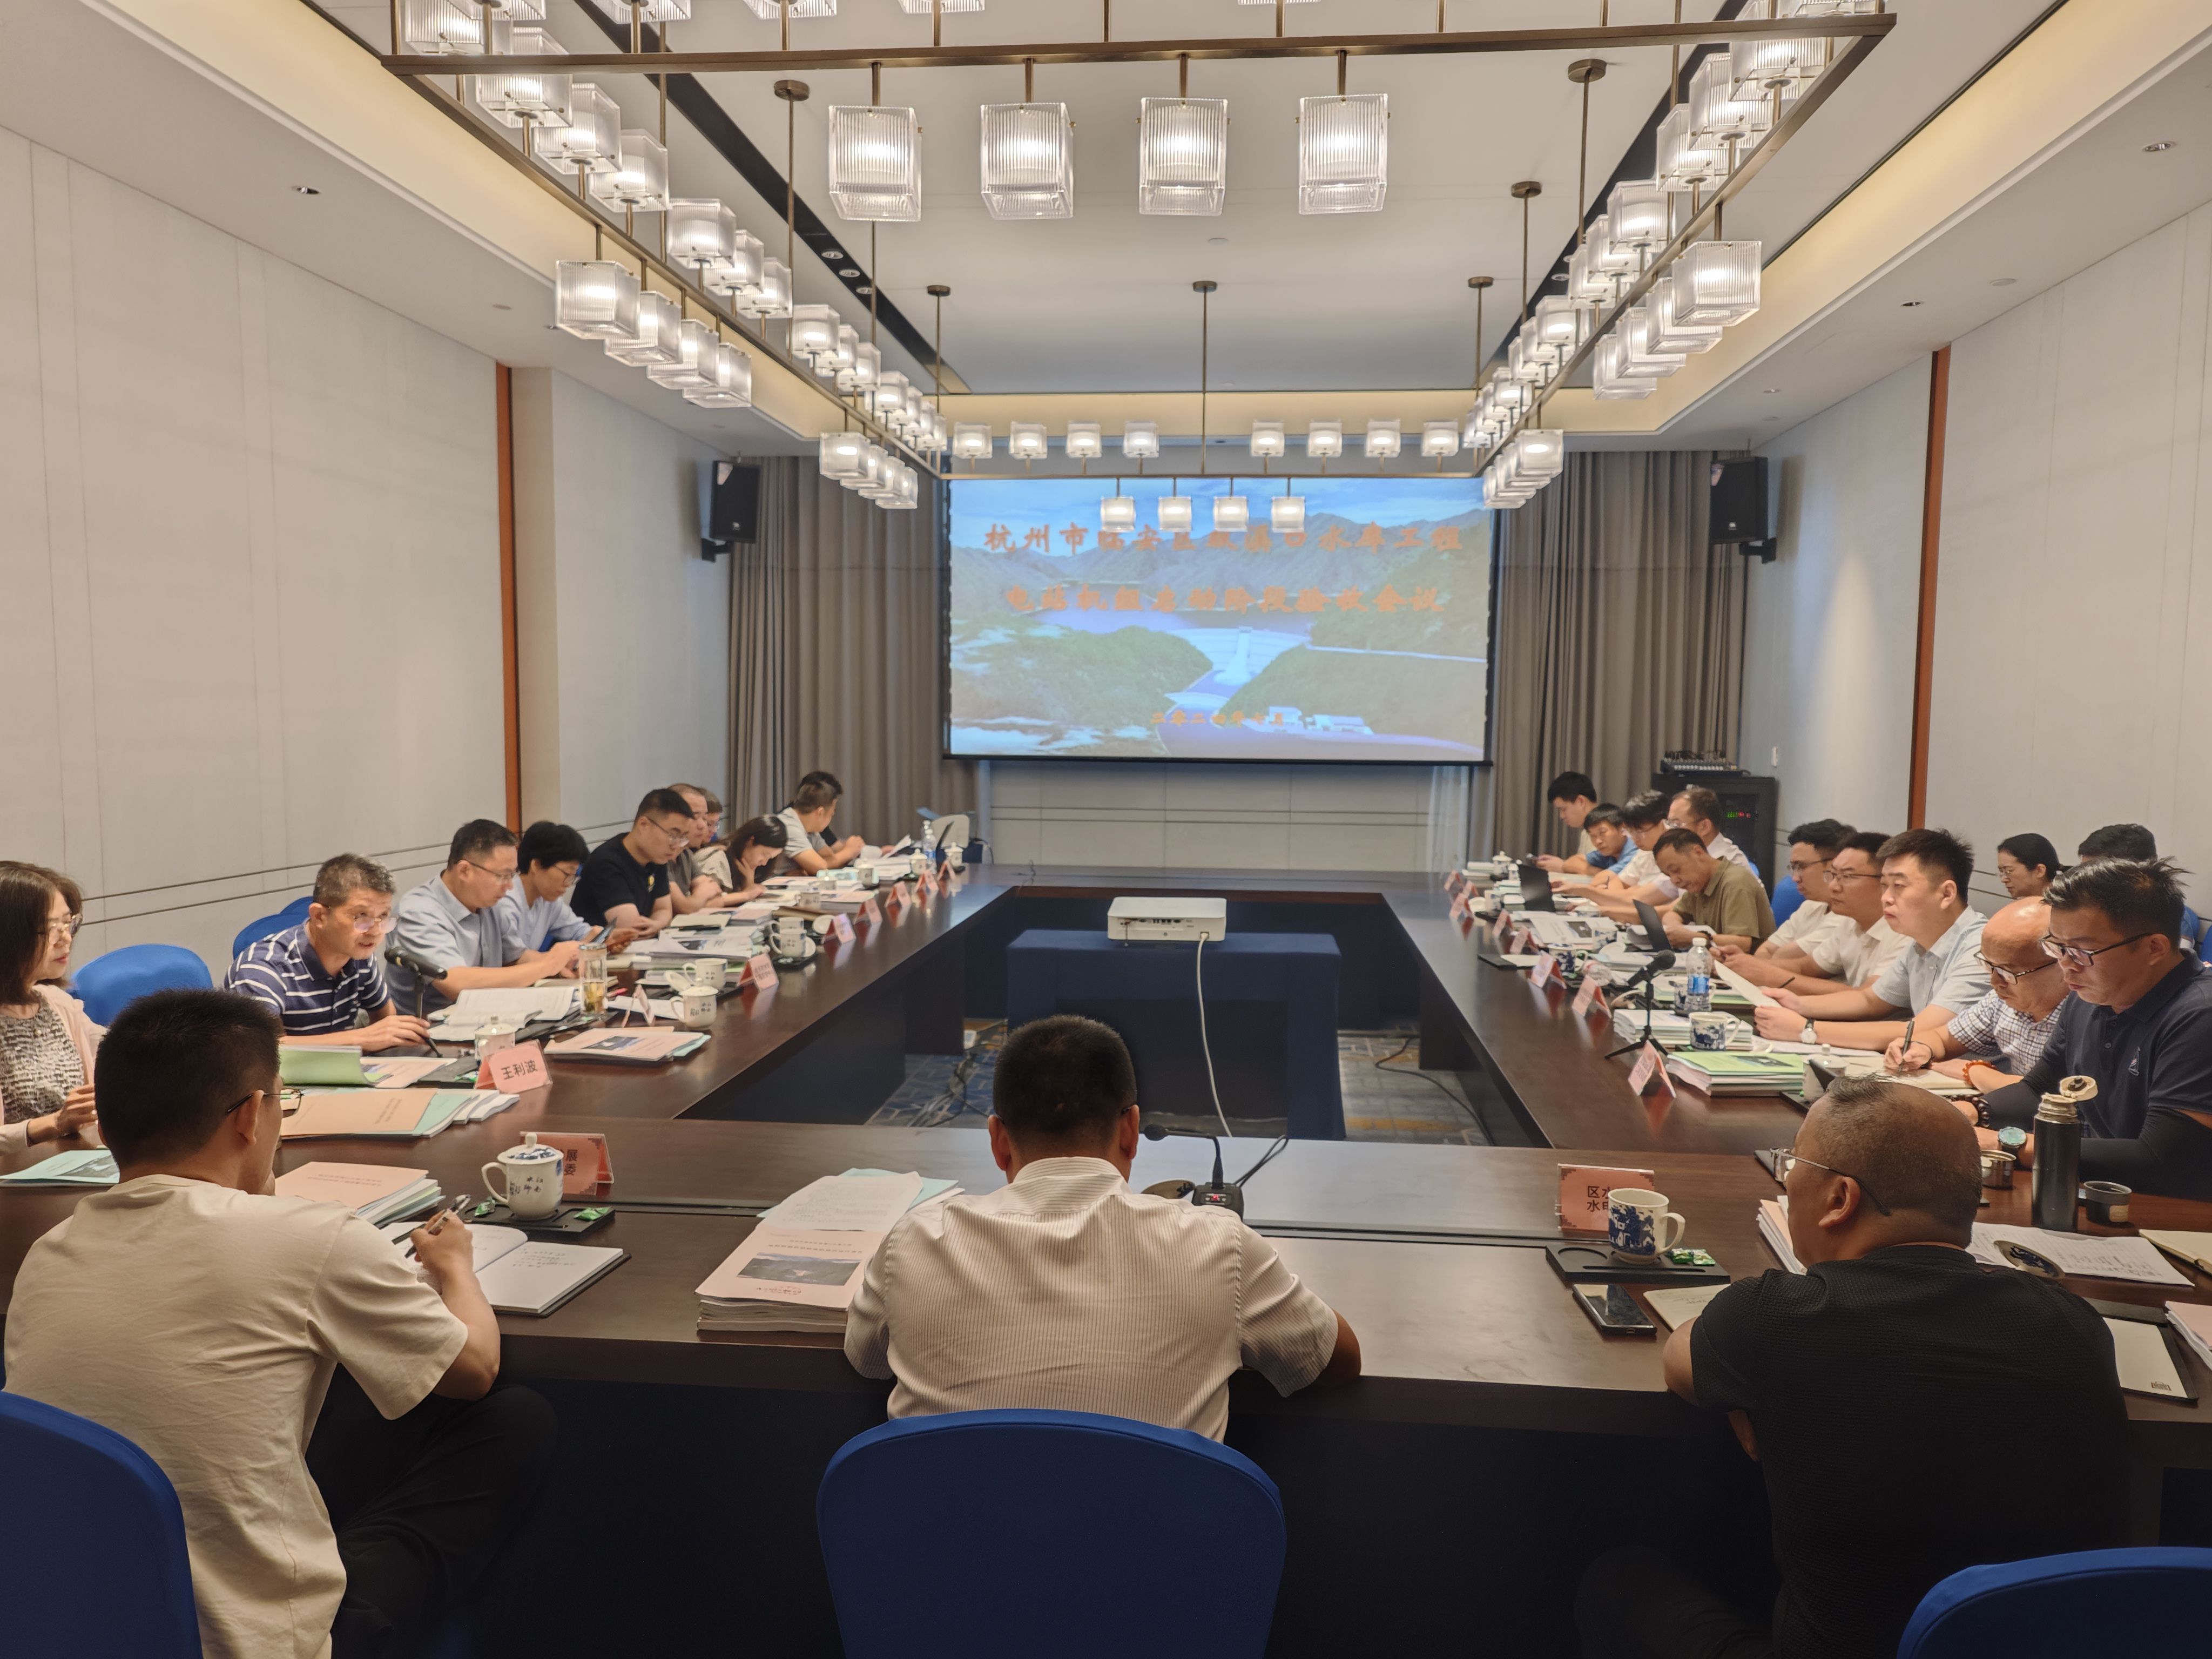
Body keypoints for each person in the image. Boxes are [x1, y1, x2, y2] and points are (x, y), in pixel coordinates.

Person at [3, 989, 554, 1659]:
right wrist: (456, 1268)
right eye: (280, 1105)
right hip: (253, 1644)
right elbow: (472, 1370)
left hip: (72, 1622)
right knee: (513, 1418)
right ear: (249, 1117)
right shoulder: (312, 1238)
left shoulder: (48, 1255)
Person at [1576, 1077, 2127, 1659]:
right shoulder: (2074, 1324)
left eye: (1794, 1165)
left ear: (1840, 1199)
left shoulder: (1776, 1317)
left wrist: (1744, 1379)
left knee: (1618, 1580)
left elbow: (1679, 1360)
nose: (1788, 1181)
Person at [845, 1014, 1360, 1439]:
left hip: (948, 1536)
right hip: (1157, 1538)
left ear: (998, 1142)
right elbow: (1335, 1361)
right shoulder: (1219, 1245)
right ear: (1131, 1131)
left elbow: (865, 1360)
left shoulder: (912, 1241)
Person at [1982, 858, 2212, 1198]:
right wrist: (1969, 1112)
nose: (2066, 966)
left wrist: (2005, 1144)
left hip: (2187, 1210)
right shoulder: (2088, 999)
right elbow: (2039, 1090)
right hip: (2118, 1195)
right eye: (2058, 947)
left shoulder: (2200, 1015)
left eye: (2081, 951)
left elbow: (2163, 1159)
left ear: (2154, 947)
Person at [1754, 828, 1987, 1053]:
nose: (1886, 898)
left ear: (1946, 894)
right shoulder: (1919, 943)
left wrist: (1807, 1030)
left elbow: (1921, 1031)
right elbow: (1870, 1000)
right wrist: (1798, 1004)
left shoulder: (1981, 950)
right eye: (1884, 885)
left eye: (1898, 886)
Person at [225, 854, 427, 1051]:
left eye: (383, 916)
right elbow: (261, 1049)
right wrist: (361, 1038)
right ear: (320, 916)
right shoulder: (263, 968)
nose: (375, 931)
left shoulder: (359, 955)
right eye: (361, 916)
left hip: (341, 1071)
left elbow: (386, 1022)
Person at [387, 820, 582, 1011]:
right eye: (502, 876)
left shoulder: (490, 904)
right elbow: (457, 983)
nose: (510, 886)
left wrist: (561, 964)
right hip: (428, 1028)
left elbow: (516, 958)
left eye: (512, 875)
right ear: (465, 871)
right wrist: (547, 965)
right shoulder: (418, 913)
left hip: (488, 1017)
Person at [1884, 898, 2068, 1089]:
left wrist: (1975, 1071)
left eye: (2008, 973)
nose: (1995, 982)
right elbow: (1943, 1039)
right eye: (1988, 966)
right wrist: (1922, 1049)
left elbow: (2055, 1091)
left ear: (2062, 963)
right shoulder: (2001, 1002)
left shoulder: (2081, 1015)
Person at [1720, 832, 1903, 994]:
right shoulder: (1850, 924)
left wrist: (1768, 975)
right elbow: (1804, 967)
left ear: (1885, 882)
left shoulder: (1902, 935)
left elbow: (1867, 997)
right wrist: (1740, 963)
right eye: (1833, 876)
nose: (1833, 886)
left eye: (1846, 877)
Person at [0, 861, 100, 1152]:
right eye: (51, 929)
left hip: (73, 1161)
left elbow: (117, 1051)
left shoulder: (56, 1002)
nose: (66, 938)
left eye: (68, 924)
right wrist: (55, 1123)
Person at [496, 821, 636, 960]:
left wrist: (605, 938)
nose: (569, 884)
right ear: (537, 865)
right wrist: (565, 955)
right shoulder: (506, 901)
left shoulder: (549, 900)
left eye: (573, 877)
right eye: (567, 874)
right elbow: (515, 959)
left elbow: (577, 930)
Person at [572, 790, 693, 938]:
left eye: (683, 838)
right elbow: (631, 930)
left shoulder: (657, 857)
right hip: (596, 948)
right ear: (644, 825)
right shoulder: (606, 862)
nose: (677, 845)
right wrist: (656, 925)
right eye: (673, 835)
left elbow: (664, 910)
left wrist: (656, 924)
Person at [2078, 824, 2201, 943]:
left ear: (2136, 873)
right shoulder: (2090, 908)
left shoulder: (2170, 919)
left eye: (2095, 875)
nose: (2084, 882)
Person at [1654, 828, 1774, 950]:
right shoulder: (1699, 883)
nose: (1674, 880)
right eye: (1668, 875)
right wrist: (1676, 929)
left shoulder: (1736, 883)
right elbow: (1673, 914)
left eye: (1676, 870)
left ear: (1698, 853)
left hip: (1751, 960)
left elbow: (1742, 944)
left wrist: (1694, 938)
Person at [1757, 820, 1854, 954]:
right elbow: (1765, 950)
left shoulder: (1849, 918)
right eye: (1794, 868)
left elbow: (1784, 956)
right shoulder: (1809, 906)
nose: (1795, 878)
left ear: (1834, 866)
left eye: (1801, 867)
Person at [1583, 792, 1681, 919]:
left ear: (1663, 823)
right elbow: (1617, 881)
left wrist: (1585, 891)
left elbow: (1638, 899)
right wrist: (1621, 897)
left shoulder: (1676, 854)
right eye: (1631, 831)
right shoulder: (1645, 849)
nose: (1635, 839)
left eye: (1640, 831)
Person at [775, 774, 866, 875]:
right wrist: (849, 852)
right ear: (820, 812)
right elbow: (821, 867)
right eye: (831, 814)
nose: (831, 819)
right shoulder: (789, 826)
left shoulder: (811, 829)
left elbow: (830, 859)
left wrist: (807, 869)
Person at [697, 815, 790, 906]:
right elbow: (703, 902)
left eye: (770, 859)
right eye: (765, 855)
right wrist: (746, 894)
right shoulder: (715, 858)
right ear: (751, 841)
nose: (764, 863)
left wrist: (748, 883)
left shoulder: (746, 868)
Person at [666, 784, 724, 916]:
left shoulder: (686, 854)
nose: (702, 826)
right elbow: (684, 908)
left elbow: (717, 899)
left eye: (704, 818)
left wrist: (693, 902)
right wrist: (698, 898)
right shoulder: (659, 859)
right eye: (694, 817)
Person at [1670, 786, 1755, 874]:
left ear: (1705, 827)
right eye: (1669, 824)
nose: (1669, 832)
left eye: (1676, 825)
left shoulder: (1730, 865)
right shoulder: (1686, 856)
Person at [1539, 805, 1635, 878]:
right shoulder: (1609, 853)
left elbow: (1611, 879)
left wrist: (1601, 875)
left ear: (1623, 829)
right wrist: (1596, 872)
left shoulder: (1634, 852)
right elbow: (1570, 863)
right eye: (1593, 836)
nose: (1598, 841)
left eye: (1602, 833)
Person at [1541, 771, 1600, 862]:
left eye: (1564, 809)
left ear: (1581, 801)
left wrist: (1562, 866)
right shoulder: (1586, 832)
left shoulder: (1605, 830)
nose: (1562, 816)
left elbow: (1602, 869)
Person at [1997, 833, 2063, 900]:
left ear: (2040, 871)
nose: (2003, 880)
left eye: (2008, 871)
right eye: (2001, 871)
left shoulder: (2063, 905)